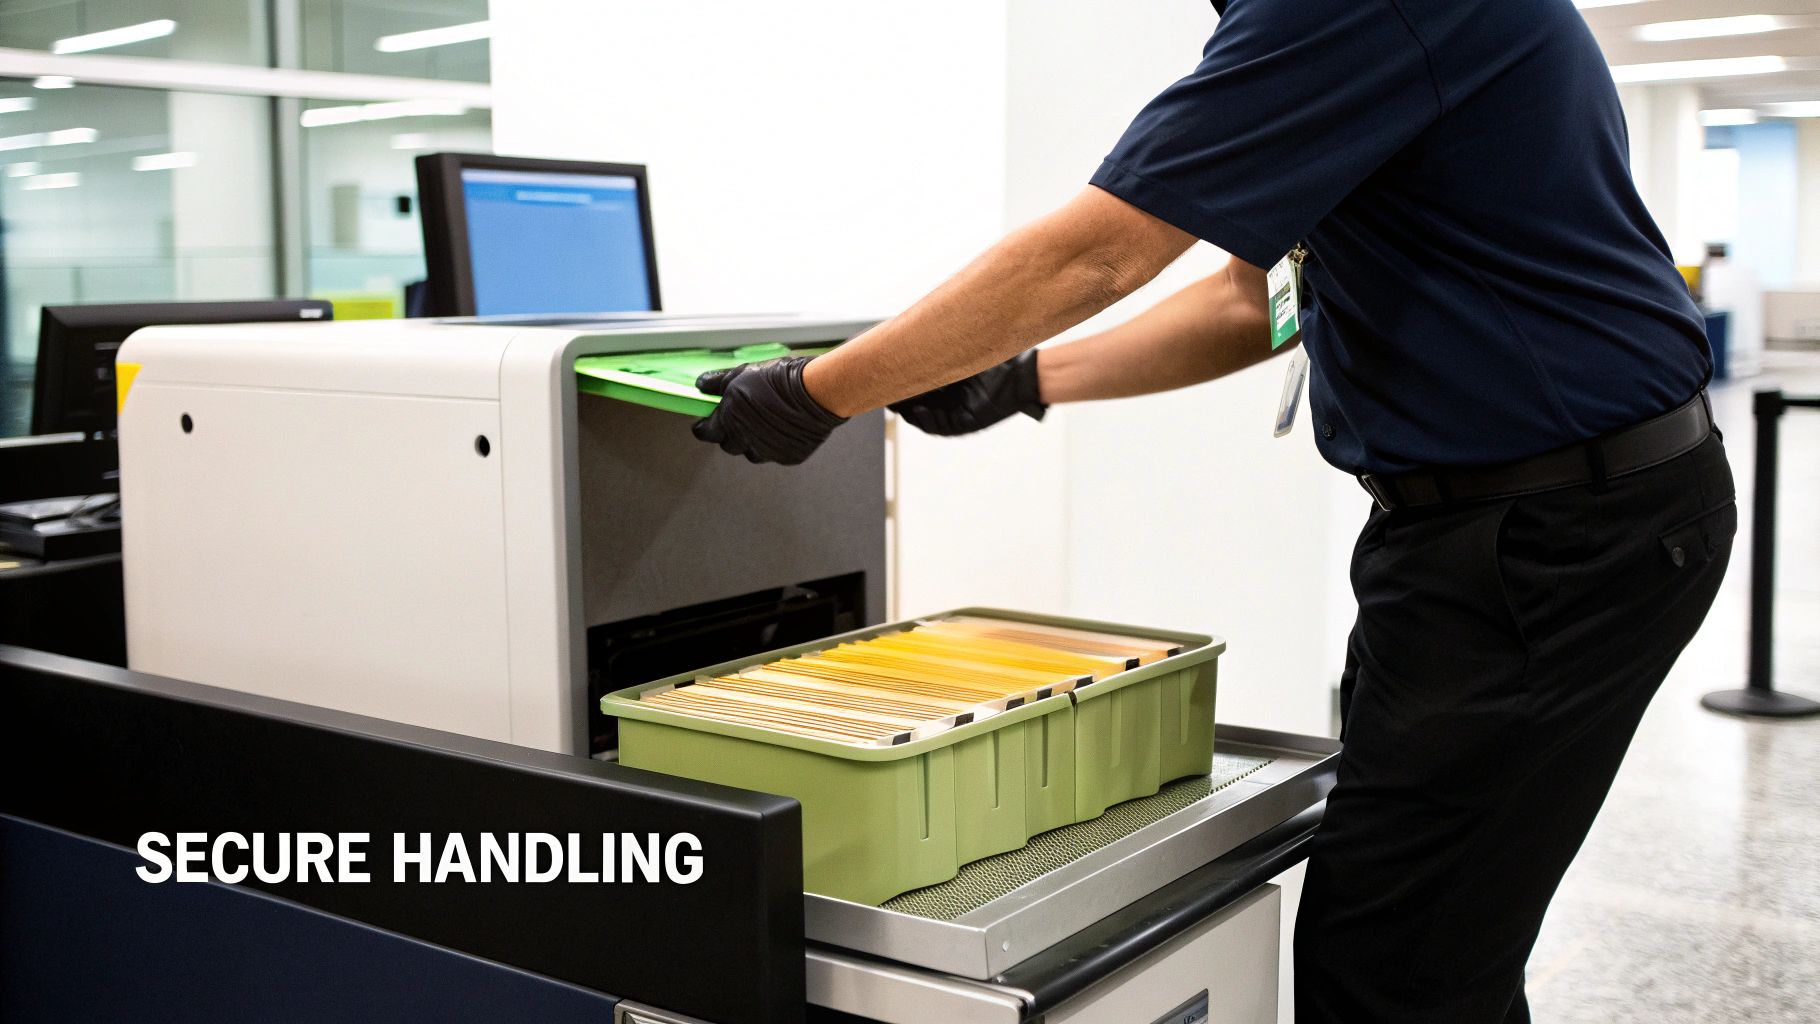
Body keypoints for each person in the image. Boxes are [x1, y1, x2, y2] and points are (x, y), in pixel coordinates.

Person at [691, 0, 1736, 1019]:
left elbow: (1096, 253)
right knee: (1437, 923)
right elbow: (1254, 298)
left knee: (1393, 959)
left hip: (1556, 527)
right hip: (1490, 523)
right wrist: (1020, 380)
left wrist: (814, 393)